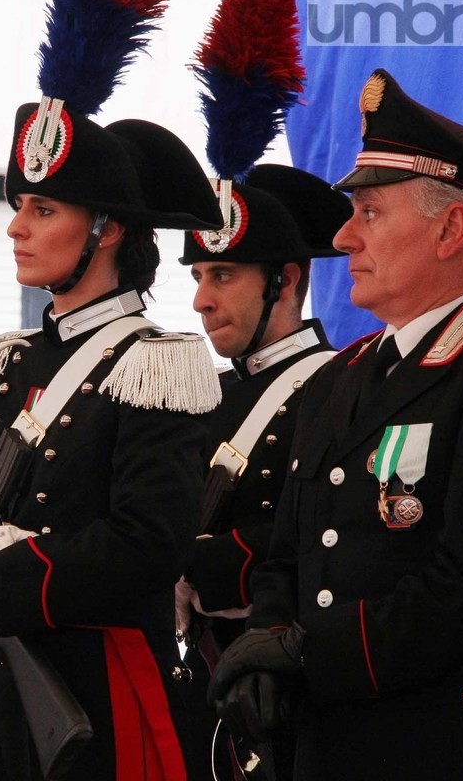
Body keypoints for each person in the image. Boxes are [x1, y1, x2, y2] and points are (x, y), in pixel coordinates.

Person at [209, 68, 463, 781]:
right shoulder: (337, 378)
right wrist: (264, 645)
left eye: (371, 212)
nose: (346, 237)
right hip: (329, 745)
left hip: (451, 751)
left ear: (450, 228)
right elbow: (289, 555)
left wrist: (306, 651)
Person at [0, 0, 224, 779]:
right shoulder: (1, 361)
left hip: (94, 692)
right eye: (19, 206)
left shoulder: (159, 362)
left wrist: (5, 575)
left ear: (107, 229)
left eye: (42, 208)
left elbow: (150, 542)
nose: (16, 225)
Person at [176, 164, 348, 780]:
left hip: (286, 693)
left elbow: (324, 541)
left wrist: (188, 568)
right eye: (198, 276)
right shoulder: (199, 395)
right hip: (199, 682)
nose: (200, 299)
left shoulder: (338, 385)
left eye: (223, 274)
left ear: (286, 279)